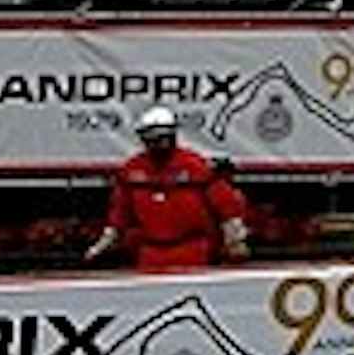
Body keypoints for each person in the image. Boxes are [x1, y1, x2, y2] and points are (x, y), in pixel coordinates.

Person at [87, 105, 250, 270]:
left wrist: (235, 239)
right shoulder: (132, 171)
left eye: (162, 138)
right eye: (152, 139)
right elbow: (119, 214)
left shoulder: (196, 167)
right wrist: (102, 245)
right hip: (150, 253)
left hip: (193, 251)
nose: (158, 144)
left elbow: (227, 207)